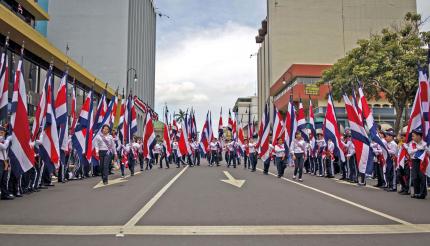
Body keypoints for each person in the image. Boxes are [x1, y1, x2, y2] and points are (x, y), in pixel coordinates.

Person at [405, 128, 427, 199]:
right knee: (415, 177)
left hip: (422, 161)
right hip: (414, 161)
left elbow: (428, 151)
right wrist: (417, 149)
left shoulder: (425, 143)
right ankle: (416, 192)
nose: (412, 137)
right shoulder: (412, 143)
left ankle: (422, 193)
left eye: (414, 136)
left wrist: (424, 148)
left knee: (422, 177)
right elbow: (409, 152)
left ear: (419, 136)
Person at [0, 125, 13, 200]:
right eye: (1, 132)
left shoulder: (3, 140)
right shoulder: (4, 141)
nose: (2, 134)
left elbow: (4, 152)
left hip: (4, 161)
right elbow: (4, 147)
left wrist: (6, 162)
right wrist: (7, 140)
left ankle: (4, 194)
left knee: (4, 179)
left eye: (3, 133)